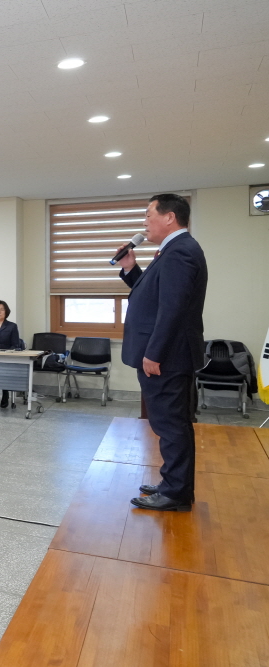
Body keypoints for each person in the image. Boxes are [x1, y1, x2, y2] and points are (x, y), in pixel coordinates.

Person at [117, 194, 207, 512]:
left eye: (149, 214)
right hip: (169, 355)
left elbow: (173, 309)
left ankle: (176, 492)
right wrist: (130, 269)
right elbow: (154, 294)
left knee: (171, 424)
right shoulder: (172, 251)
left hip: (168, 357)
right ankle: (173, 482)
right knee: (168, 422)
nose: (145, 221)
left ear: (169, 217)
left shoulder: (180, 252)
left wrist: (154, 353)